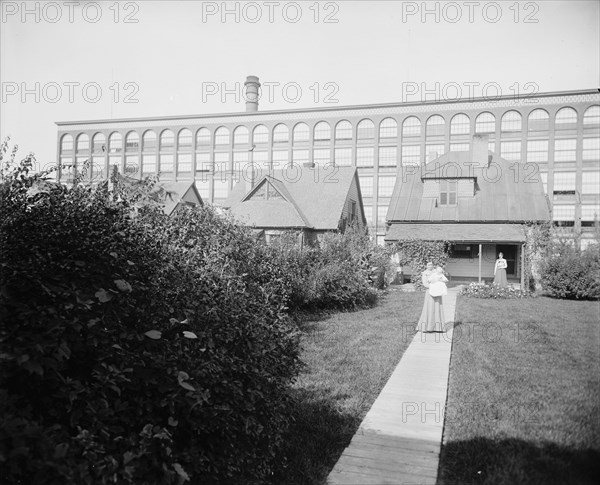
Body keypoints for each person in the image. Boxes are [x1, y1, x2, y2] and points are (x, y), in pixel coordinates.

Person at [416, 263, 447, 333]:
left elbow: (442, 278)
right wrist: (434, 286)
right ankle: (428, 327)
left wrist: (439, 285)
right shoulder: (425, 273)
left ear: (433, 265)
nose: (430, 266)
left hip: (438, 292)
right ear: (426, 266)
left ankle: (438, 327)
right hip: (430, 292)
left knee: (437, 307)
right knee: (429, 308)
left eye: (431, 265)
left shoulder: (436, 272)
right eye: (428, 265)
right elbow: (425, 284)